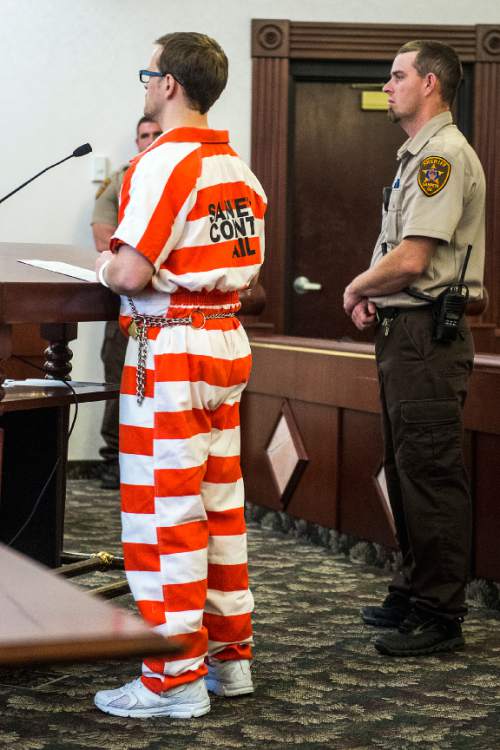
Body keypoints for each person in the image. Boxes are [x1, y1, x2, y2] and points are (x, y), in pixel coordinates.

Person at [94, 32, 266, 718]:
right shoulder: (238, 171)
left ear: (168, 85)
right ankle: (231, 658)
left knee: (164, 513)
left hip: (168, 349)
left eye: (149, 73)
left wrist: (106, 268)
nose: (146, 84)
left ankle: (173, 680)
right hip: (224, 339)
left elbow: (132, 271)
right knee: (219, 509)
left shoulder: (163, 163)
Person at [343, 40, 485, 657]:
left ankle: (440, 613)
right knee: (405, 469)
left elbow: (413, 258)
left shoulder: (443, 158)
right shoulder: (415, 156)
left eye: (398, 75)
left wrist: (355, 286)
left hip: (429, 333)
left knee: (430, 471)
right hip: (406, 330)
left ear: (430, 84)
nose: (389, 84)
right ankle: (413, 587)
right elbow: (396, 255)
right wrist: (375, 294)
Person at [91, 116, 162, 490]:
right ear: (136, 141)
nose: (149, 140)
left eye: (156, 134)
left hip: (172, 305)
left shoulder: (176, 172)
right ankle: (113, 458)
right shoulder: (122, 178)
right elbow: (102, 234)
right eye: (143, 135)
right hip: (127, 297)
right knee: (118, 374)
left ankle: (152, 459)